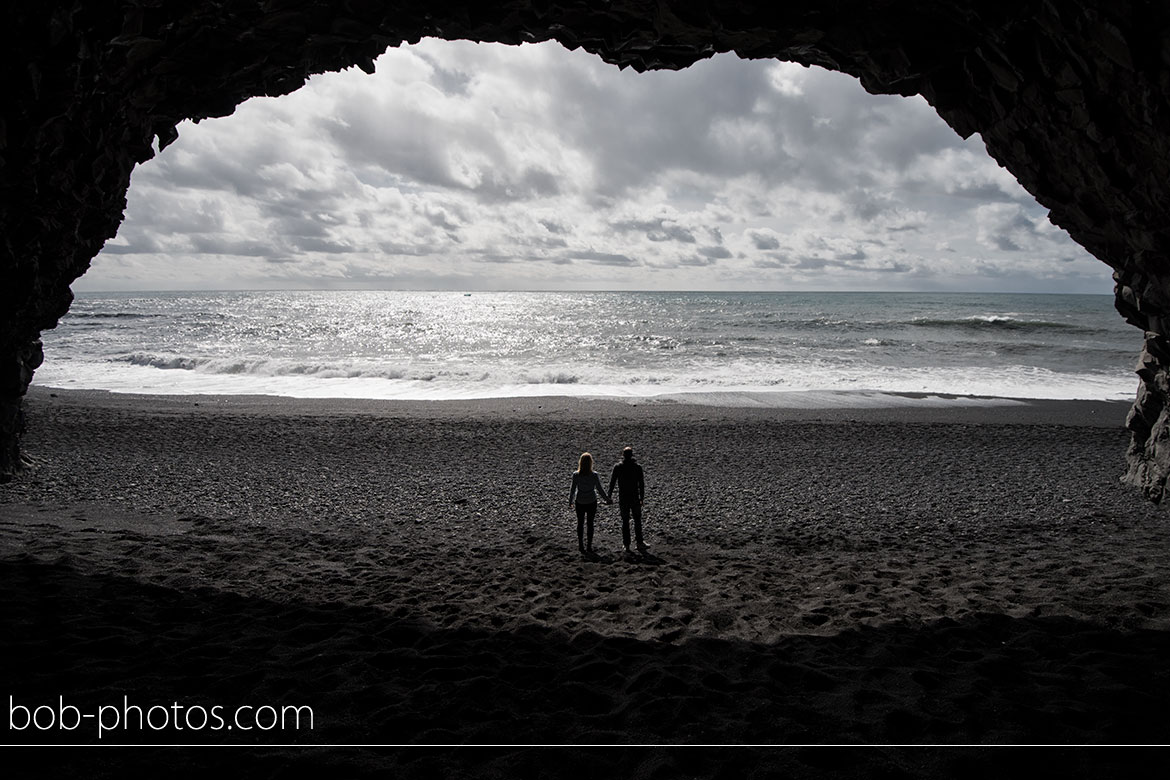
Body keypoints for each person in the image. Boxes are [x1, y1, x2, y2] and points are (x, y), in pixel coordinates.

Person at [569, 451, 611, 556]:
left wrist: (570, 500)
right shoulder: (594, 475)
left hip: (580, 501)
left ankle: (581, 545)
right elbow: (600, 489)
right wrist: (607, 499)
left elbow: (573, 489)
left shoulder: (576, 475)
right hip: (591, 501)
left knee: (580, 523)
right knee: (590, 523)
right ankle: (589, 546)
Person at [608, 445, 647, 553]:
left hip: (623, 497)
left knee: (625, 521)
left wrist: (609, 495)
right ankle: (639, 542)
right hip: (634, 496)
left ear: (623, 455)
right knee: (637, 519)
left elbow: (612, 482)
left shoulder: (618, 467)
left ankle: (626, 545)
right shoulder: (637, 467)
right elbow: (641, 484)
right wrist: (642, 497)